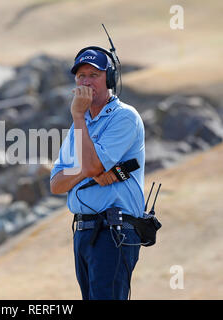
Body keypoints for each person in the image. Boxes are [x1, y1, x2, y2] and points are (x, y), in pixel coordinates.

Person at [50, 47, 145, 300]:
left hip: (114, 231)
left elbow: (91, 167)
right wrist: (86, 170)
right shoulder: (77, 127)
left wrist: (78, 115)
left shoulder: (124, 117)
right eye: (81, 76)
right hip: (84, 232)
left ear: (110, 79)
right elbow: (56, 184)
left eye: (94, 74)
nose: (86, 82)